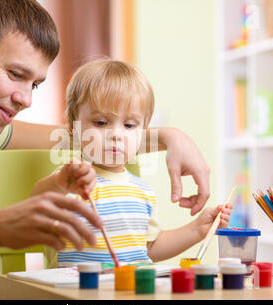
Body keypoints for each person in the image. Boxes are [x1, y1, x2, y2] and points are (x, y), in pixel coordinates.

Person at [0, 0, 211, 299]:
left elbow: (78, 137)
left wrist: (169, 137)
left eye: (34, 84)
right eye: (14, 74)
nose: (26, 99)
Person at [31, 59, 232, 267]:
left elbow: (148, 249)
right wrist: (60, 183)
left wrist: (197, 229)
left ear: (143, 132)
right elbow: (37, 202)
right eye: (100, 123)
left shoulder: (143, 191)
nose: (116, 135)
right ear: (73, 127)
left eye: (129, 125)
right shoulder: (71, 180)